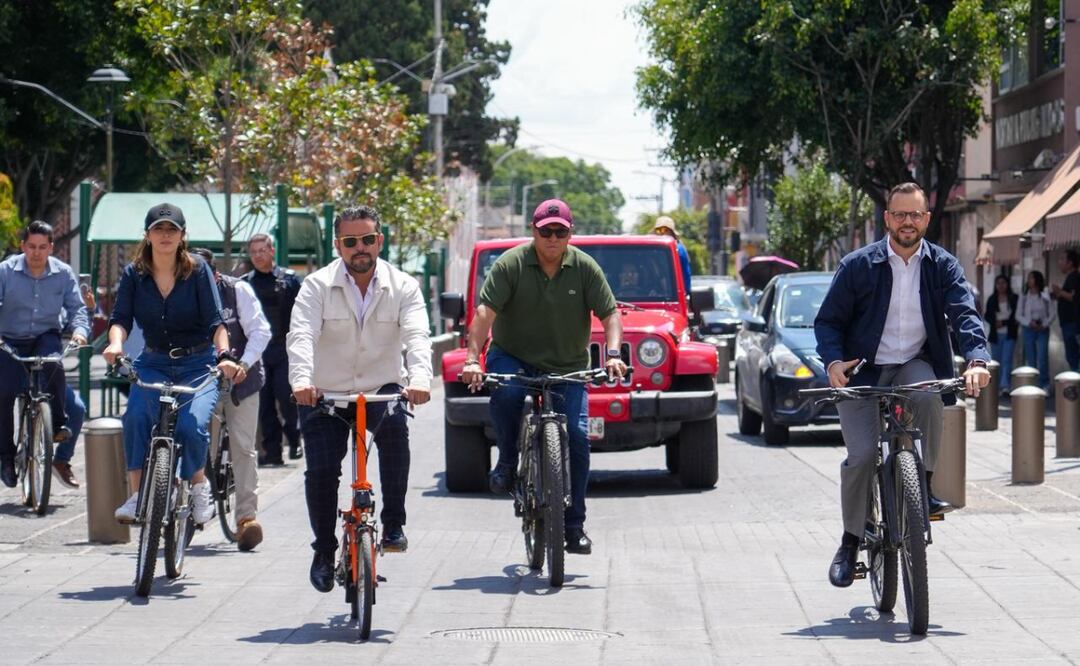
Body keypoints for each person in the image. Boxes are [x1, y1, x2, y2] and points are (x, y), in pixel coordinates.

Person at [814, 182, 990, 589]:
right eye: (900, 214)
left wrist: (977, 360)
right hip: (863, 371)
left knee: (929, 393)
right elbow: (828, 322)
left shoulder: (942, 266)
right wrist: (834, 362)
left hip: (914, 362)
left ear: (926, 219)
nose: (907, 222)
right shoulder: (858, 265)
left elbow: (965, 314)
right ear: (887, 218)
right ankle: (849, 542)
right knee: (860, 457)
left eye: (915, 215)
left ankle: (922, 490)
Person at [461, 199, 627, 555]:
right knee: (505, 394)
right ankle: (507, 461)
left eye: (560, 231)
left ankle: (574, 526)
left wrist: (613, 354)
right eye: (545, 231)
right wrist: (474, 359)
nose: (552, 238)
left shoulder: (585, 268)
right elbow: (484, 313)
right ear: (533, 231)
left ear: (570, 234)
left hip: (567, 365)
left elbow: (610, 314)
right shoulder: (511, 264)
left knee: (579, 438)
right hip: (513, 356)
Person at [287, 205, 432, 593]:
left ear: (379, 241)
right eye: (351, 242)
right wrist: (302, 381)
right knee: (320, 471)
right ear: (338, 246)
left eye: (368, 239)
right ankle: (323, 549)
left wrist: (419, 379)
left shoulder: (404, 286)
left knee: (396, 433)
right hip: (326, 393)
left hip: (380, 389)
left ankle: (394, 524)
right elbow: (301, 336)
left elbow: (417, 336)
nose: (360, 248)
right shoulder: (316, 286)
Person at [103, 203, 241, 525]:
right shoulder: (134, 274)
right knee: (136, 416)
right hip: (153, 360)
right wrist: (116, 343)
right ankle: (137, 495)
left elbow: (215, 321)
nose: (165, 235)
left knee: (190, 426)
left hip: (198, 362)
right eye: (158, 229)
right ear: (147, 235)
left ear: (182, 236)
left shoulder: (197, 270)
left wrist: (224, 355)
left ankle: (197, 486)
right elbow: (120, 318)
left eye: (172, 230)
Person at [192, 248, 272, 551]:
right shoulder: (178, 291)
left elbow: (260, 332)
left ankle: (246, 519)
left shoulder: (237, 289)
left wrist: (245, 363)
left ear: (214, 275)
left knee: (243, 446)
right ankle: (191, 504)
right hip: (201, 381)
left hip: (243, 380)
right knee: (197, 442)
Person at [0, 221, 89, 488]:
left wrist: (80, 331)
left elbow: (78, 308)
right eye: (31, 247)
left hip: (45, 336)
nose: (36, 253)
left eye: (42, 247)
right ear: (22, 246)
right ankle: (5, 456)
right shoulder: (5, 271)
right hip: (9, 339)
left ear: (51, 247)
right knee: (3, 392)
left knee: (53, 363)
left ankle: (58, 424)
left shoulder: (63, 273)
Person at [242, 234, 303, 464]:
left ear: (272, 252)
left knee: (287, 397)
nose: (257, 255)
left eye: (262, 250)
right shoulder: (245, 283)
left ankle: (295, 437)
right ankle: (273, 452)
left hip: (284, 348)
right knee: (264, 404)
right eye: (254, 251)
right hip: (258, 351)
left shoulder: (289, 279)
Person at [1017, 270, 1055, 389]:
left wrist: (1045, 323)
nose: (1029, 281)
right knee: (1031, 358)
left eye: (1031, 278)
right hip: (1028, 329)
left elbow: (1052, 312)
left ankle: (1045, 384)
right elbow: (1018, 315)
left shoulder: (1045, 295)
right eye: (1028, 278)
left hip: (1042, 329)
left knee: (1042, 357)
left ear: (1037, 280)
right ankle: (1033, 384)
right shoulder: (1024, 296)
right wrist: (1029, 322)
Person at [984, 274, 1019, 395]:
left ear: (1007, 284)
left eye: (1003, 283)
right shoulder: (992, 298)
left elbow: (1016, 316)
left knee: (1007, 360)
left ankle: (1005, 386)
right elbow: (987, 315)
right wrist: (995, 323)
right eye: (998, 283)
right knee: (996, 361)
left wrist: (1003, 322)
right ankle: (996, 385)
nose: (1001, 286)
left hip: (1009, 334)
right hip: (995, 335)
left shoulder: (1014, 298)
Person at [1050, 250, 1080, 372]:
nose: (1059, 262)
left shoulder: (1074, 277)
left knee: (1073, 356)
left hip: (1072, 323)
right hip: (1068, 323)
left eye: (1062, 259)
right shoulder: (1070, 277)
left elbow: (1074, 297)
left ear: (1070, 263)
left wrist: (1059, 292)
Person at [652, 216, 692, 295]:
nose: (661, 233)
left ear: (671, 233)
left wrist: (685, 294)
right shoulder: (651, 252)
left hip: (676, 295)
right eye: (658, 230)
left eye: (665, 230)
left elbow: (686, 277)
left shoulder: (678, 250)